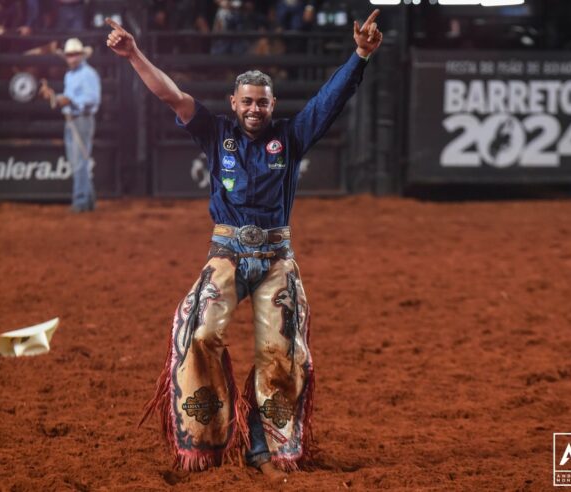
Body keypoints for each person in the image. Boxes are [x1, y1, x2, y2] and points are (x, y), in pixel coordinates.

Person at [105, 9, 382, 480]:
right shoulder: (216, 133)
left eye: (263, 103)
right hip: (227, 254)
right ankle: (209, 440)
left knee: (281, 354)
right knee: (200, 334)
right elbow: (170, 95)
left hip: (276, 258)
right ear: (234, 103)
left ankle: (263, 449)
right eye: (248, 102)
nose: (256, 109)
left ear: (272, 105)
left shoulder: (291, 137)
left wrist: (359, 55)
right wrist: (133, 55)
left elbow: (329, 100)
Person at [39, 38, 101, 212]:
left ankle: (81, 201)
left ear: (81, 55)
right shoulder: (70, 75)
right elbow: (66, 99)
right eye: (69, 55)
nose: (71, 58)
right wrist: (54, 97)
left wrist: (68, 101)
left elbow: (92, 99)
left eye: (74, 55)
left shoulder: (88, 74)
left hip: (82, 119)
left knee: (79, 161)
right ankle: (88, 199)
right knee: (77, 161)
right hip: (72, 120)